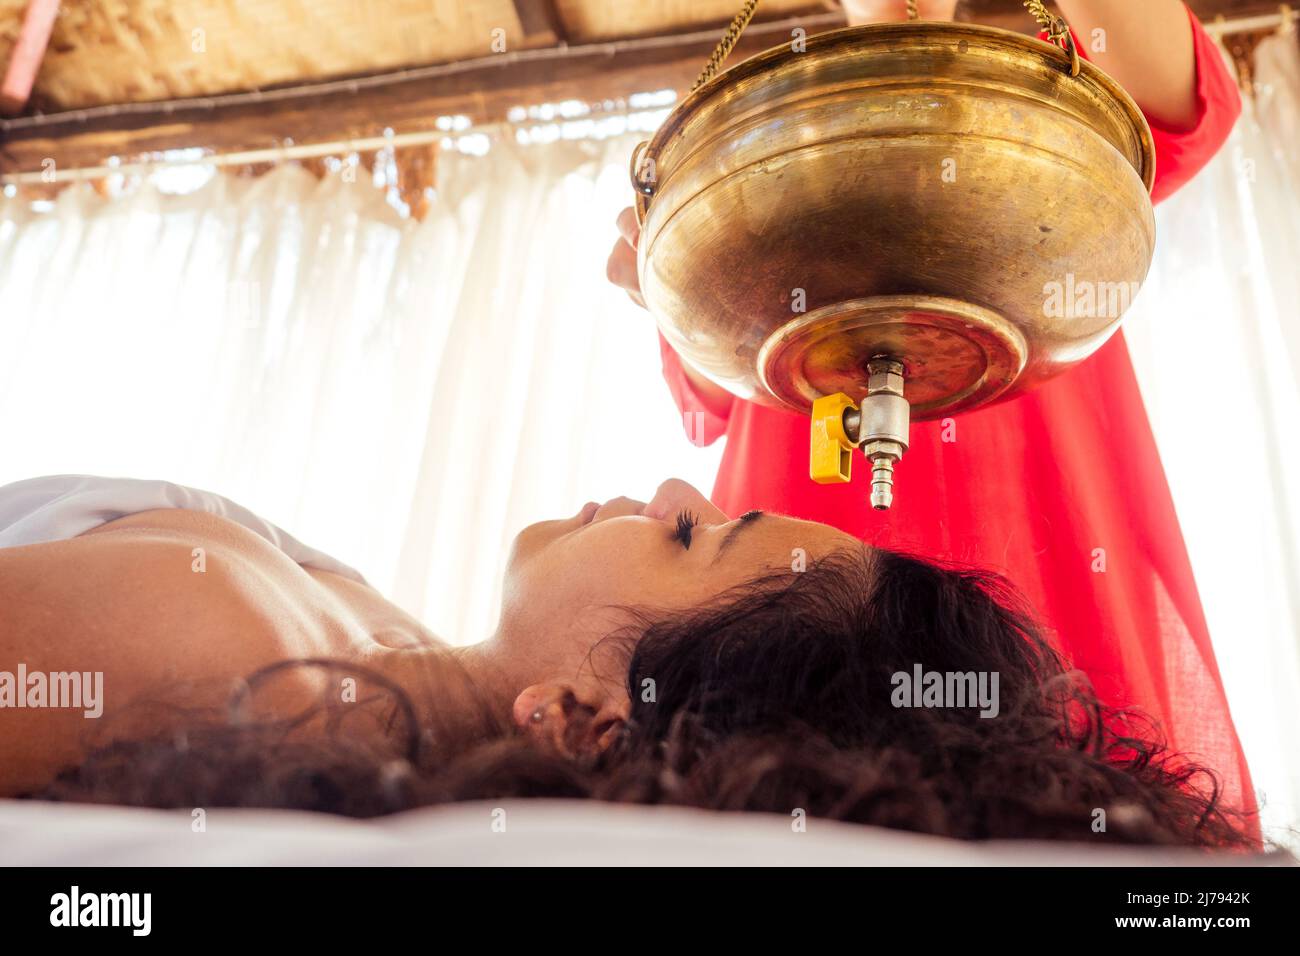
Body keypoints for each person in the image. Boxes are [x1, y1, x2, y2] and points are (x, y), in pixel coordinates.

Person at [606, 0, 1258, 829]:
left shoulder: (1048, 100)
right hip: (806, 550)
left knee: (1072, 814)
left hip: (1042, 521)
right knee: (792, 808)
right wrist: (656, 281)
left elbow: (1183, 106)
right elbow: (709, 383)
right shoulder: (757, 134)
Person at [0, 474, 1256, 846]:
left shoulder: (226, 647)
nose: (665, 485)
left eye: (689, 533)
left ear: (592, 715)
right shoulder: (352, 643)